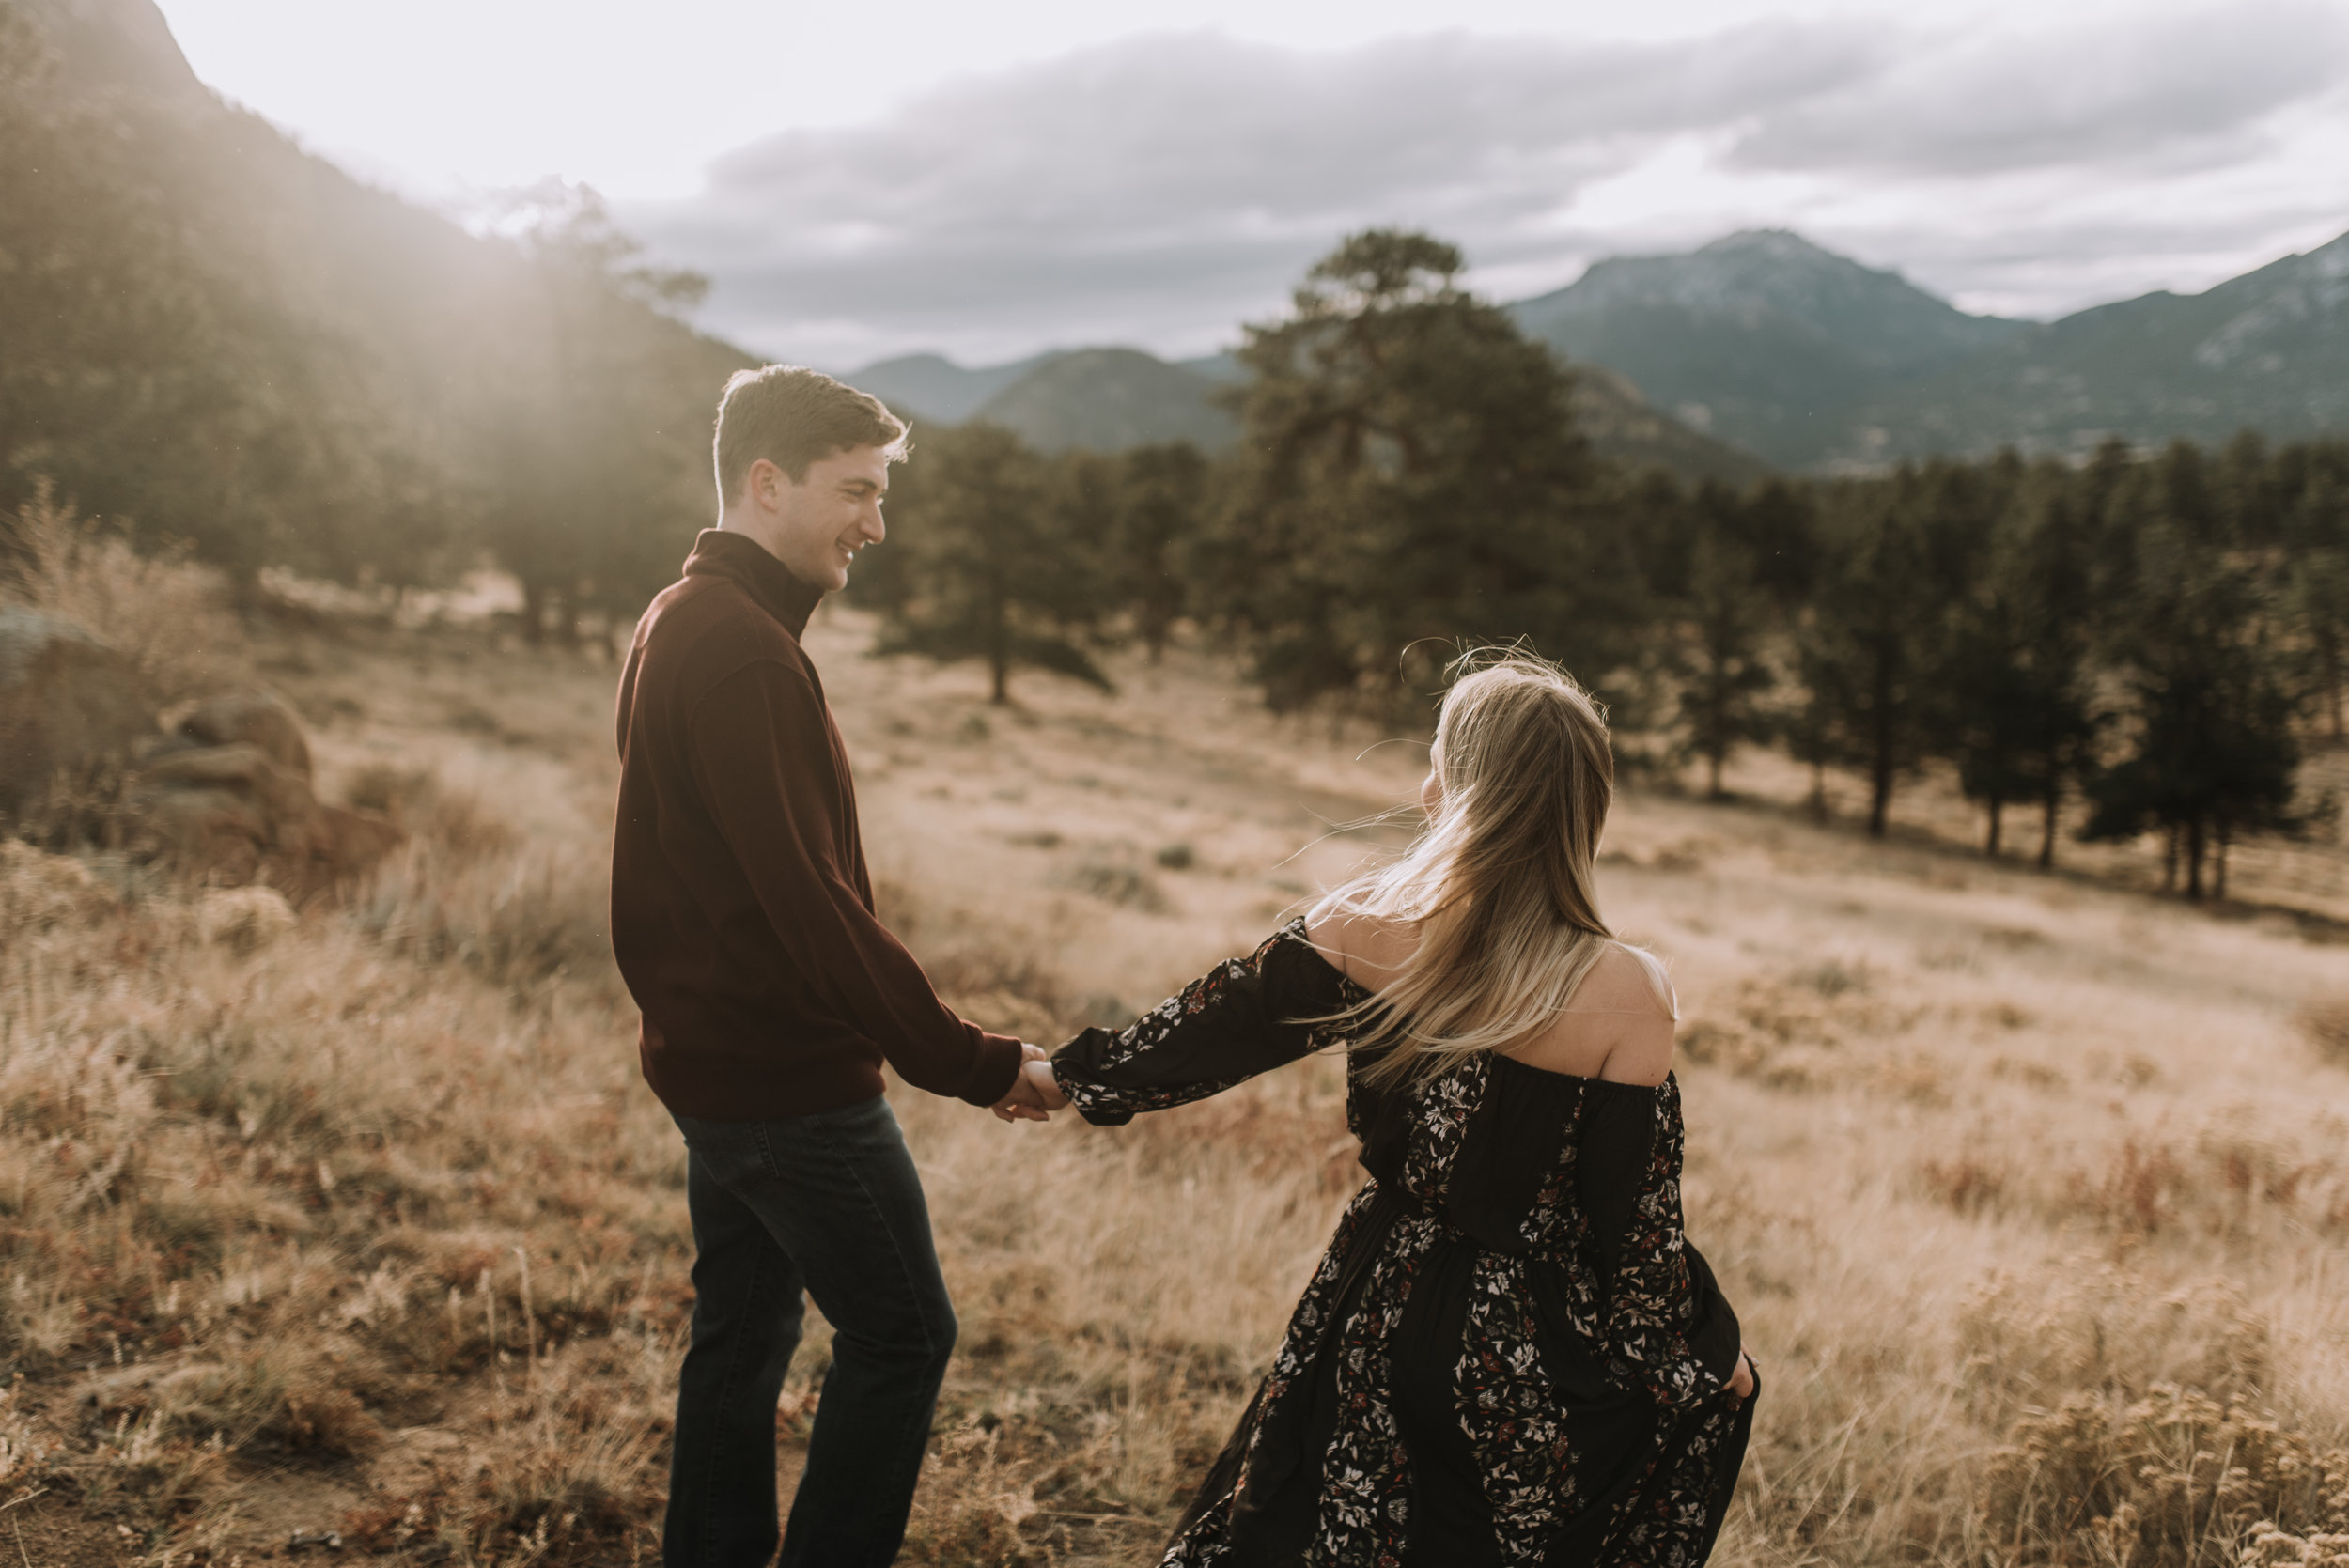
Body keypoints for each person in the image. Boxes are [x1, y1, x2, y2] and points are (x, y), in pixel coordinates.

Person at [1025, 652, 1756, 1566]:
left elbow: (1214, 1028)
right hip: (1523, 1356)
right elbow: (1635, 1238)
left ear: (1459, 790)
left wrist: (1065, 1077)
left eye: (1438, 765)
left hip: (1375, 1301)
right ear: (1585, 810)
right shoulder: (1631, 992)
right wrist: (1709, 1357)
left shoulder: (1364, 923)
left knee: (1310, 1532)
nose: (1422, 786)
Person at [609, 365, 1055, 1568]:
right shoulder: (741, 651)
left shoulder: (682, 614)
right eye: (856, 490)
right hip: (786, 1086)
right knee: (904, 1337)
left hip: (714, 1065)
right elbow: (811, 907)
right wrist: (974, 1061)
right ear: (768, 482)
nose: (876, 523)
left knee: (742, 1332)